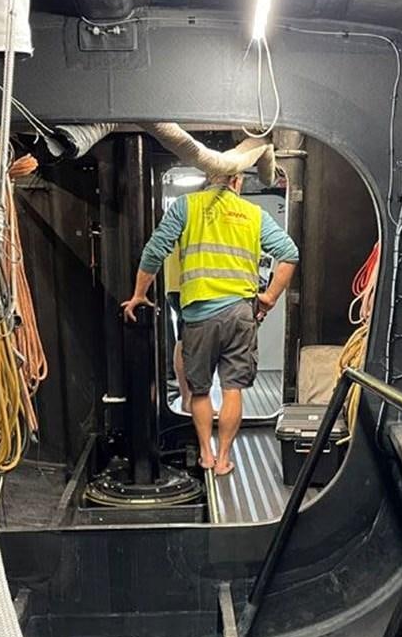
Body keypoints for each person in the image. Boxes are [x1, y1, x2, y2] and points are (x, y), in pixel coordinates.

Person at [122, 172, 299, 476]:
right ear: (237, 181)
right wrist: (268, 297)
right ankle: (224, 460)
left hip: (199, 315)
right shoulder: (253, 213)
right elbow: (289, 254)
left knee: (200, 390)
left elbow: (154, 251)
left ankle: (206, 453)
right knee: (233, 389)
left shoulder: (185, 206)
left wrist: (139, 294)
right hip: (241, 314)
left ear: (208, 179)